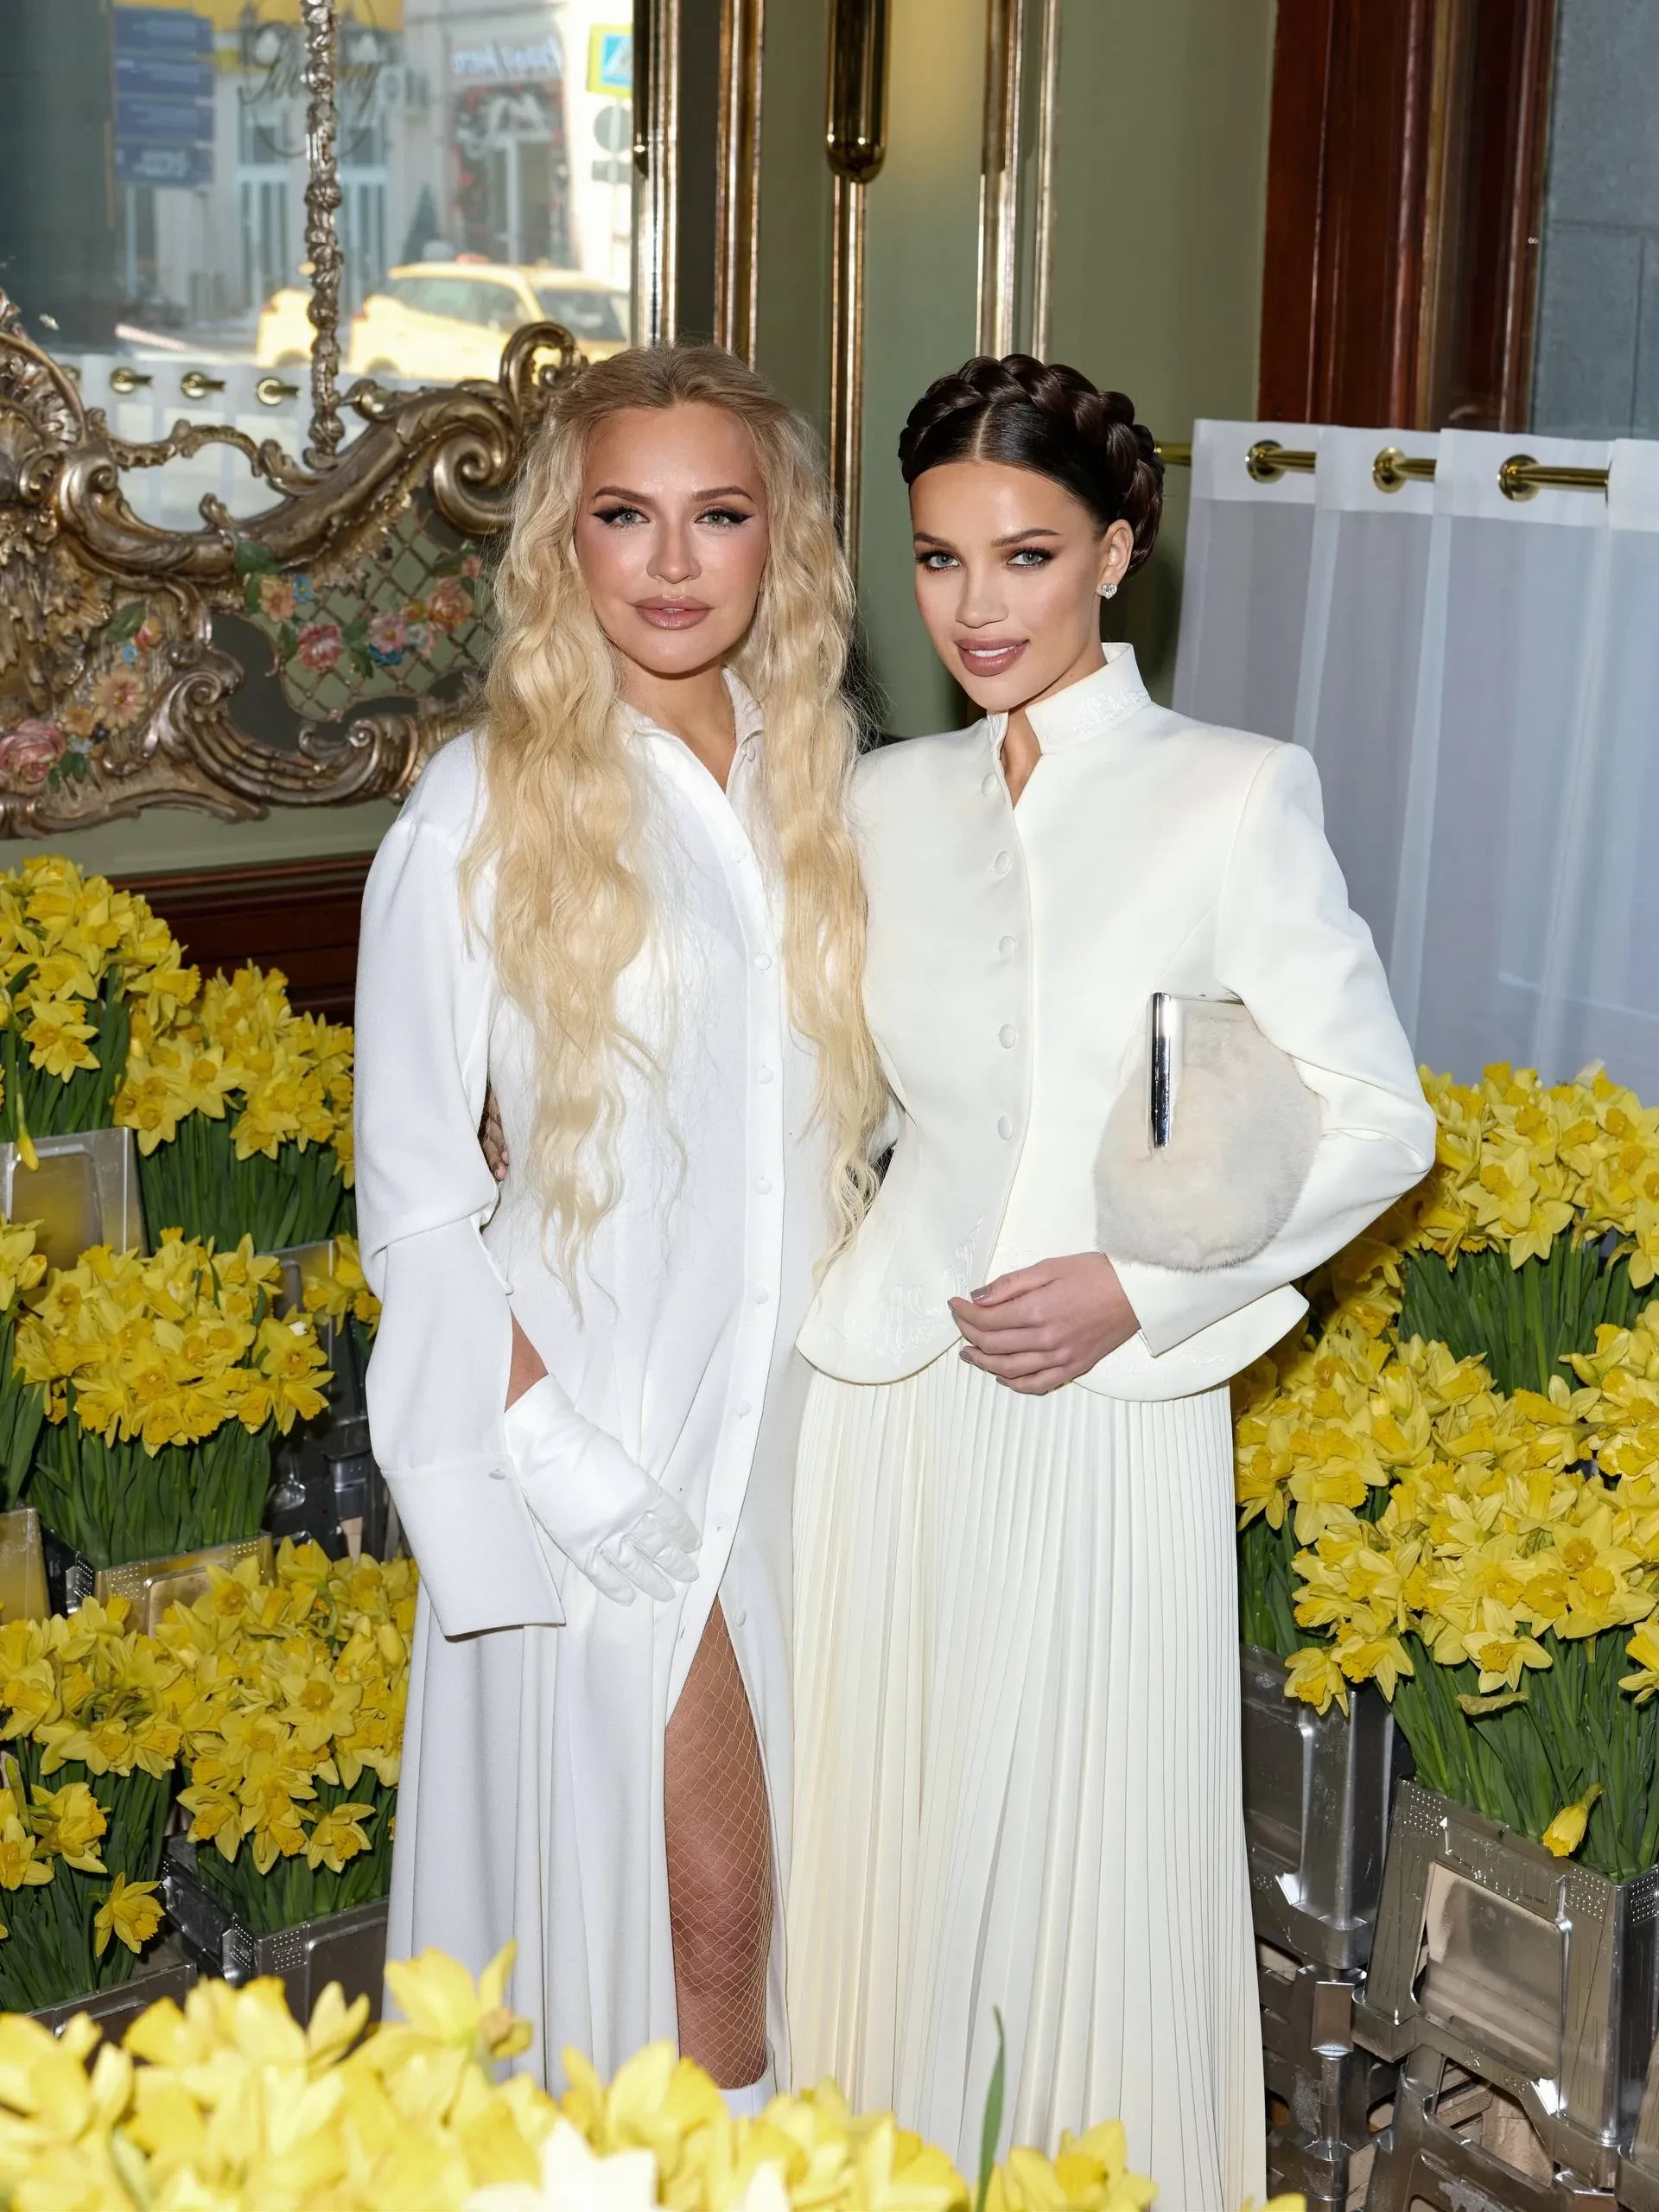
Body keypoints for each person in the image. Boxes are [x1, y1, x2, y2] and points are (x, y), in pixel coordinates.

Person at [785, 355, 1435, 2206]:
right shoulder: (882, 798)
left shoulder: (1232, 793)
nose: (976, 606)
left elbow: (1378, 1119)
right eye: (938, 559)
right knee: (887, 1846)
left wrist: (1138, 1293)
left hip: (1106, 1411)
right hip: (888, 1405)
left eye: (1028, 553)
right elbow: (827, 1091)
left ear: (1118, 553)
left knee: (1080, 1864)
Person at [353, 342, 887, 2107]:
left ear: (778, 539)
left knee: (797, 1924)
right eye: (624, 517)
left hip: (795, 1445)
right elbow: (415, 1197)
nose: (670, 562)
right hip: (587, 1443)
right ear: (560, 545)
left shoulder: (830, 791)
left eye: (717, 516)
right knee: (707, 1909)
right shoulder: (476, 807)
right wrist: (555, 1453)